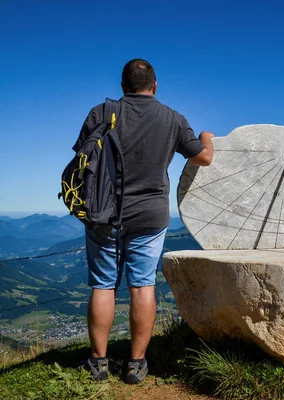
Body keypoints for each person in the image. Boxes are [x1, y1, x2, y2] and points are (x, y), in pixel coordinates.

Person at [74, 59, 214, 383]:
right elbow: (203, 157)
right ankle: (137, 364)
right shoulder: (172, 119)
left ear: (123, 86)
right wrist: (206, 136)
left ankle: (98, 363)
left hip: (103, 212)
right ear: (155, 86)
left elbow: (84, 159)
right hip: (151, 214)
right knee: (142, 285)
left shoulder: (101, 112)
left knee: (103, 285)